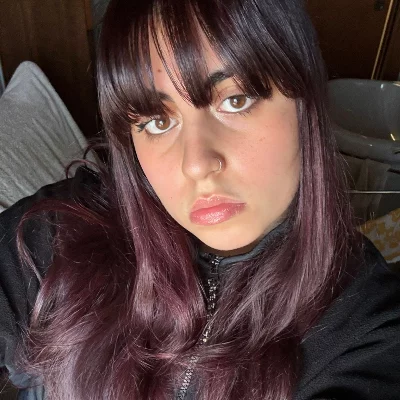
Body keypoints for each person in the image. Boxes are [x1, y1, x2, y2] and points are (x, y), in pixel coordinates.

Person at [0, 0, 399, 399]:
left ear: (304, 103)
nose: (196, 164)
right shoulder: (65, 230)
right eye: (158, 121)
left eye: (236, 100)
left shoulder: (367, 330)